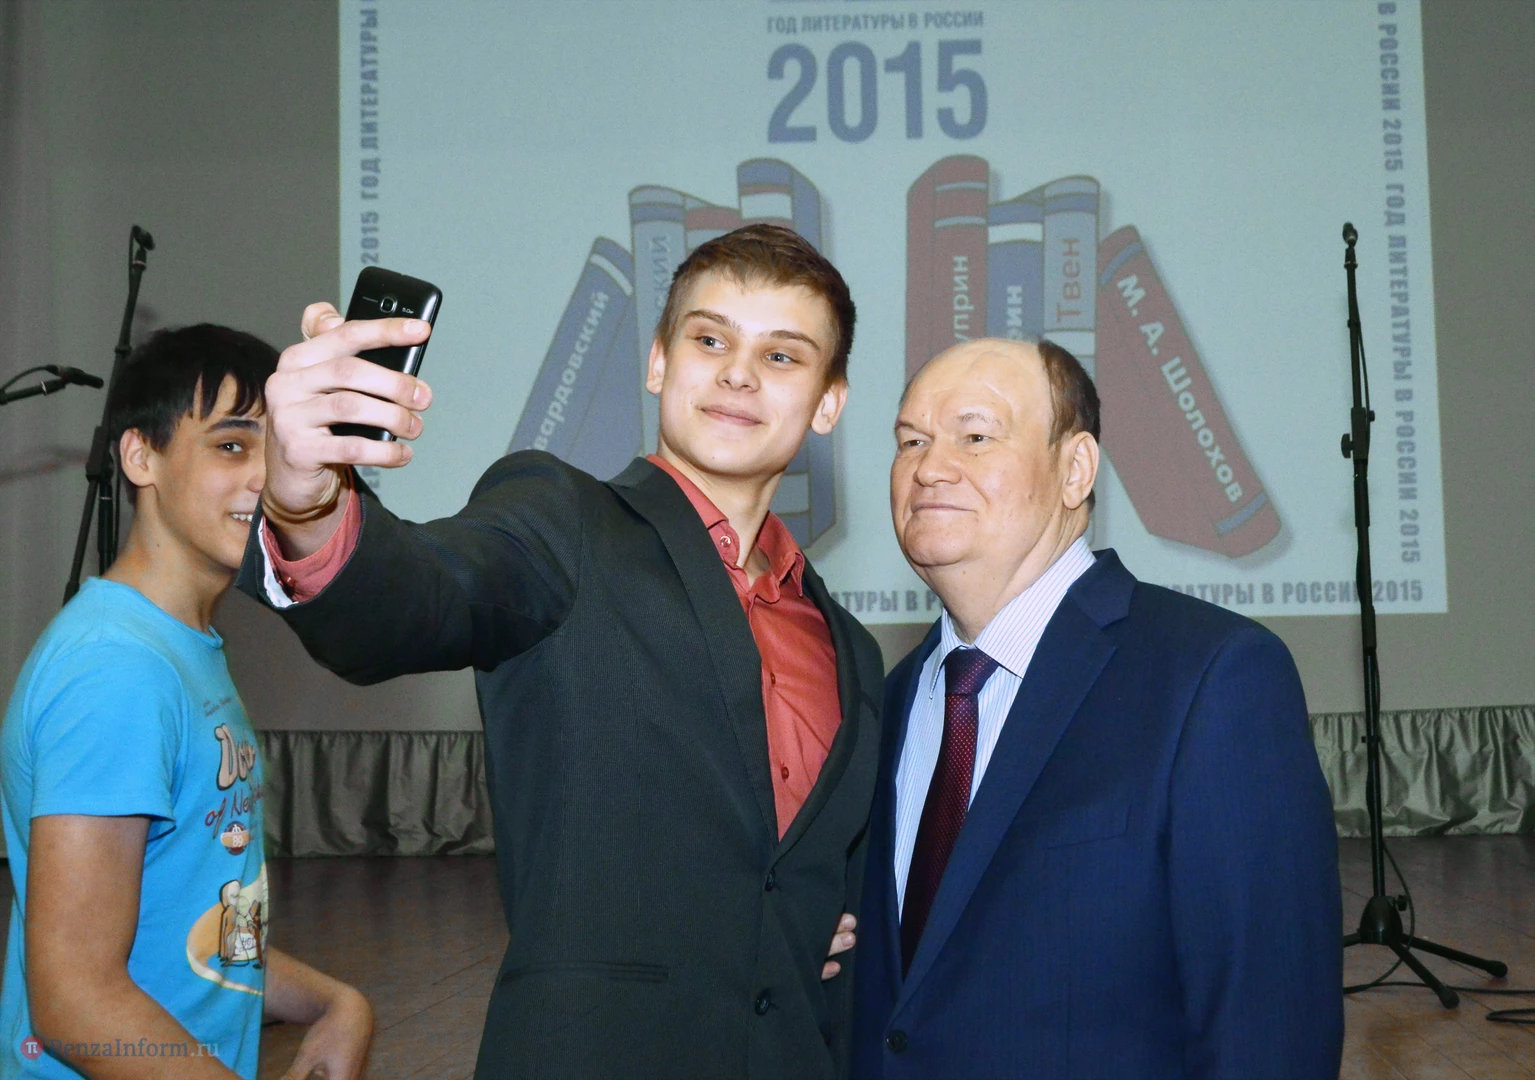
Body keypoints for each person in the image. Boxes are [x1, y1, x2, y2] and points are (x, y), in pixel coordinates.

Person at [243, 225, 883, 1078]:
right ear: (657, 362)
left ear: (828, 402)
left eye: (781, 355)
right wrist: (308, 504)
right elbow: (418, 597)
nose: (738, 373)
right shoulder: (560, 520)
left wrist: (803, 925)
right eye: (709, 340)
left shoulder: (848, 648)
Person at [851, 338, 1343, 1079]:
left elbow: (1268, 1023)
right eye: (910, 441)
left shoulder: (1212, 677)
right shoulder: (882, 705)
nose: (930, 467)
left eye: (975, 437)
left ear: (1075, 470)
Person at [0, 325, 374, 1079]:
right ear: (140, 456)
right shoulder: (116, 670)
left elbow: (186, 936)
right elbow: (74, 1001)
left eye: (277, 449)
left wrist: (335, 1002)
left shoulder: (175, 648)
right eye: (231, 446)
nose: (264, 477)